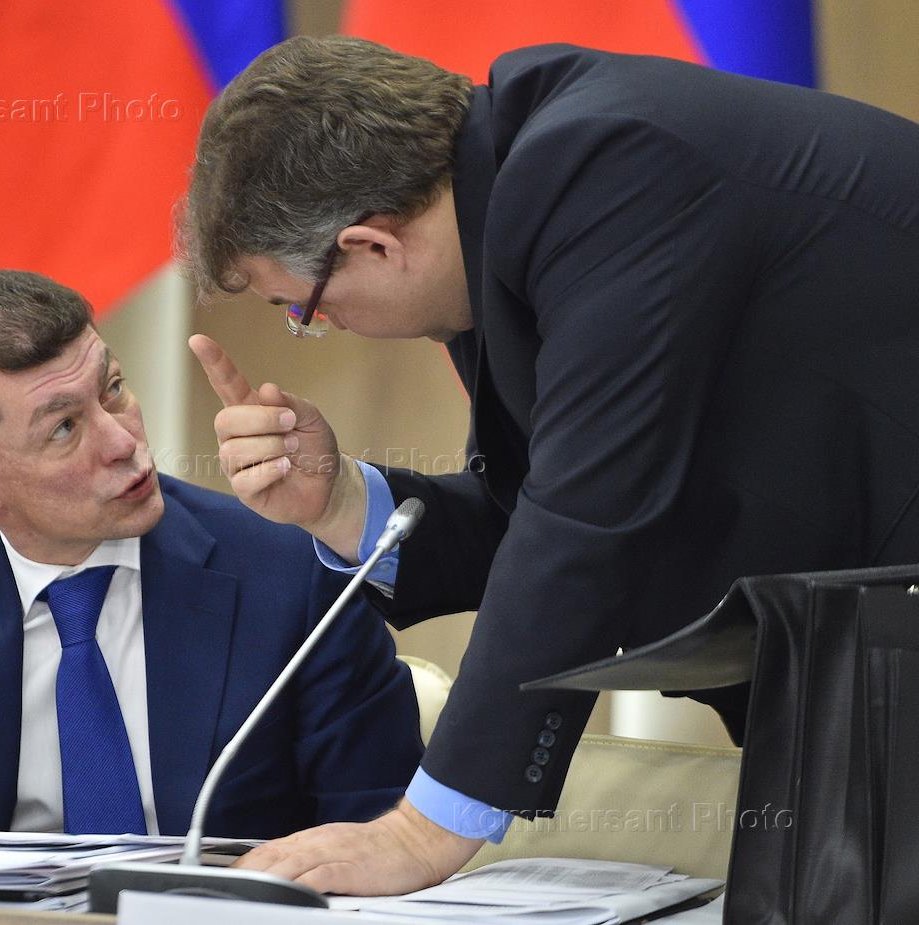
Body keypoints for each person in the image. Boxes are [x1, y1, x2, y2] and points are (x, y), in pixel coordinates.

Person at [180, 36, 919, 893]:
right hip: (860, 668)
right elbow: (546, 517)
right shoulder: (517, 199)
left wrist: (425, 829)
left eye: (303, 308)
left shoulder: (611, 167)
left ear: (373, 245)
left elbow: (588, 519)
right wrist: (342, 502)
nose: (323, 326)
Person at [0, 268, 423, 838]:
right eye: (64, 427)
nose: (124, 441)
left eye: (112, 390)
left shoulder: (288, 571)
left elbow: (379, 827)